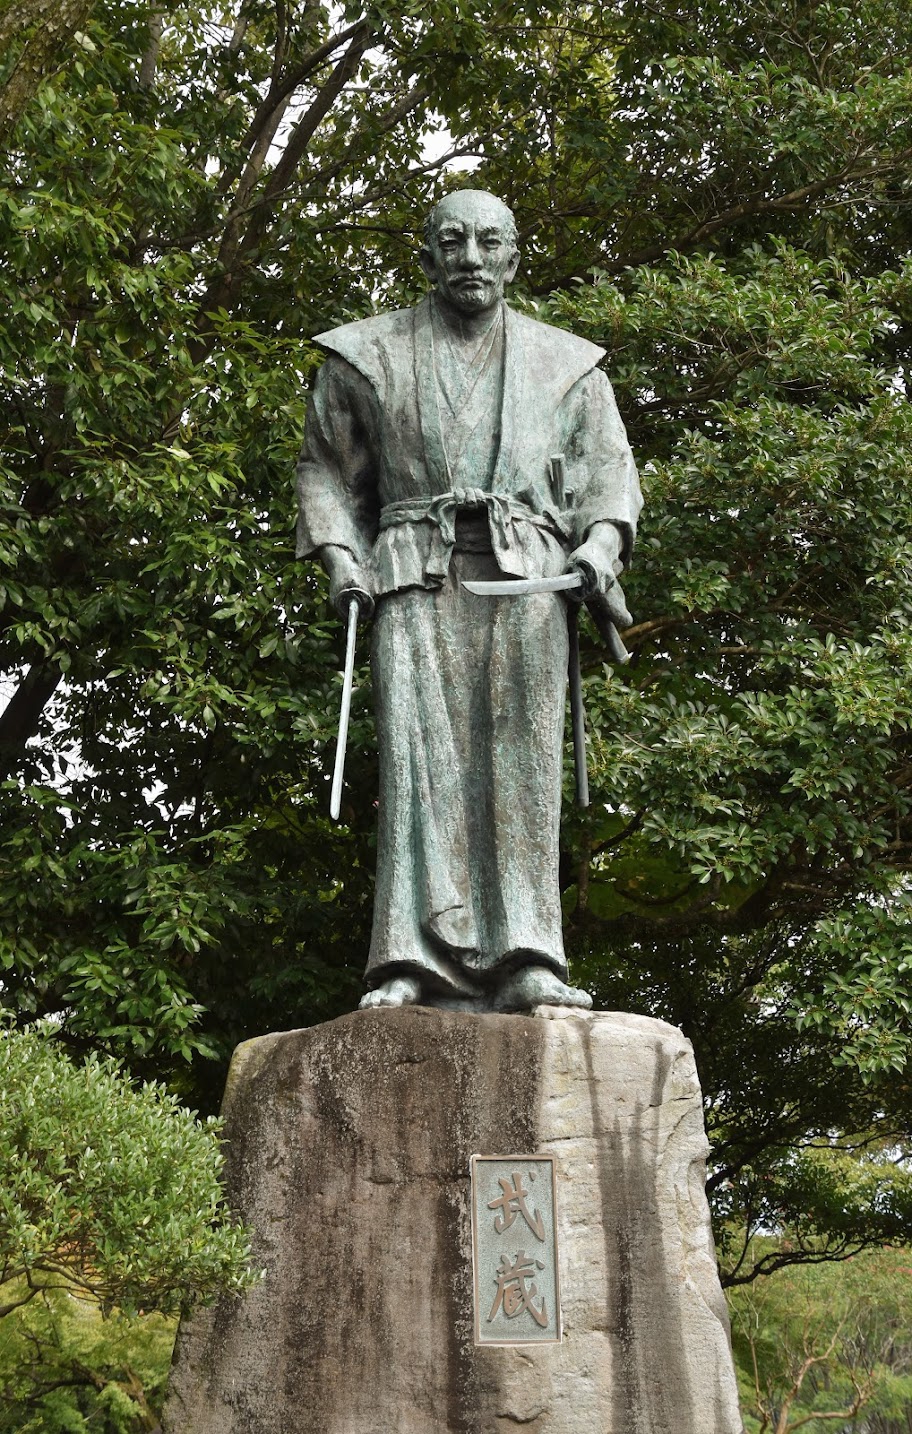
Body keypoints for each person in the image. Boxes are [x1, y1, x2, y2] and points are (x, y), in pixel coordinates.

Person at [295, 189, 642, 1011]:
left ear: (515, 257)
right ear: (427, 257)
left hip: (528, 577)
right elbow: (325, 472)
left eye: (490, 242)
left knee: (519, 769)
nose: (471, 258)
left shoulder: (568, 365)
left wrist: (598, 546)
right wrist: (344, 559)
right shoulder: (364, 356)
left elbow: (609, 475)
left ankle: (530, 956)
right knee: (419, 766)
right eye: (453, 243)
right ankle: (407, 959)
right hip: (413, 571)